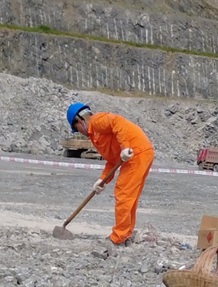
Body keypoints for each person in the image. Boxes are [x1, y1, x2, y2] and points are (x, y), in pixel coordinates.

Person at [66, 102, 154, 246]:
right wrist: (102, 181)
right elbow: (112, 160)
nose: (80, 132)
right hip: (141, 152)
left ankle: (118, 238)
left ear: (80, 121)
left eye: (76, 128)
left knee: (123, 194)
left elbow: (117, 121)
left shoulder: (96, 121)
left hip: (136, 152)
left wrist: (125, 147)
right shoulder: (96, 136)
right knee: (129, 198)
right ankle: (125, 234)